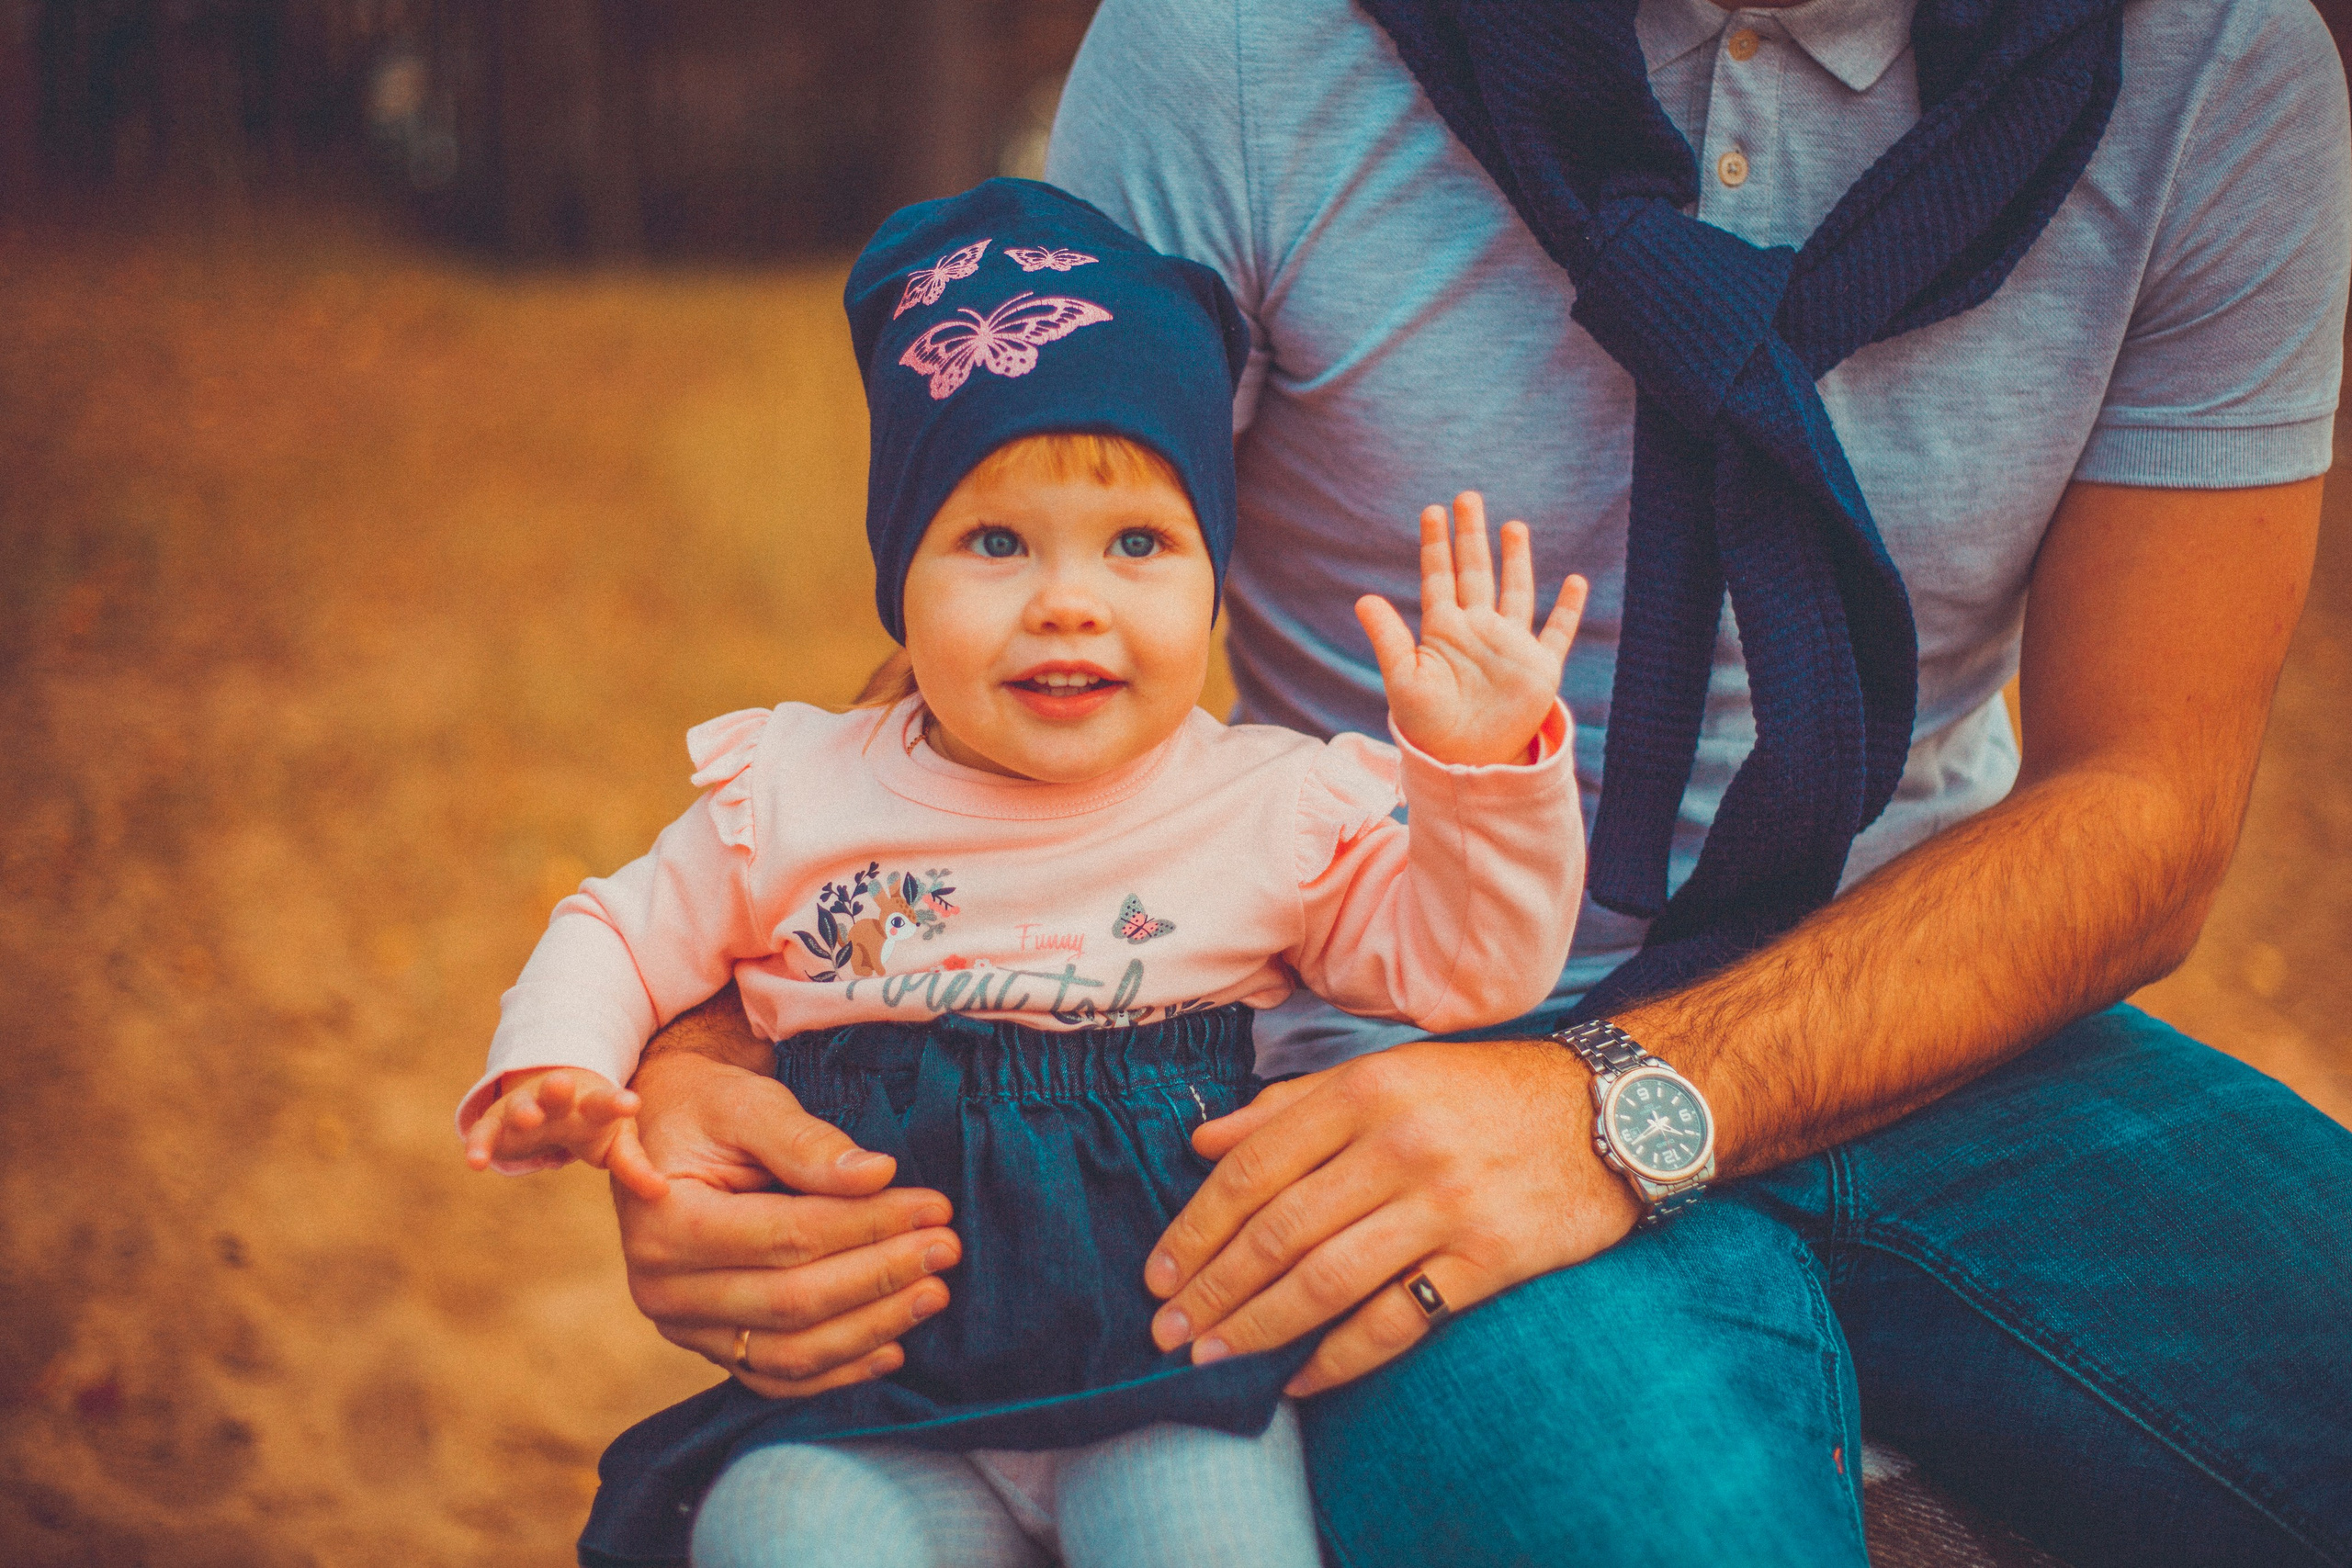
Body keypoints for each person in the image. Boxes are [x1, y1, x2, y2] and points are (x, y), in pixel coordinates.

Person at [605, 0, 2352, 1563]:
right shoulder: (1235, 44)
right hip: (1389, 1057)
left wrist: (1616, 1100)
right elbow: (1021, 634)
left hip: (1940, 1008)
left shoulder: (2213, 68)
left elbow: (2149, 800)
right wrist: (709, 1047)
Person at [457, 176, 1594, 1568]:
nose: (1071, 598)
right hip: (867, 1407)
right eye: (995, 542)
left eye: (1139, 545)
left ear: (1209, 581)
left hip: (1164, 1390)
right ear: (903, 578)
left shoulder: (1268, 808)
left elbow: (1470, 966)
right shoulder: (801, 793)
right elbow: (619, 932)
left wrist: (1481, 779)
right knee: (766, 1531)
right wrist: (560, 1063)